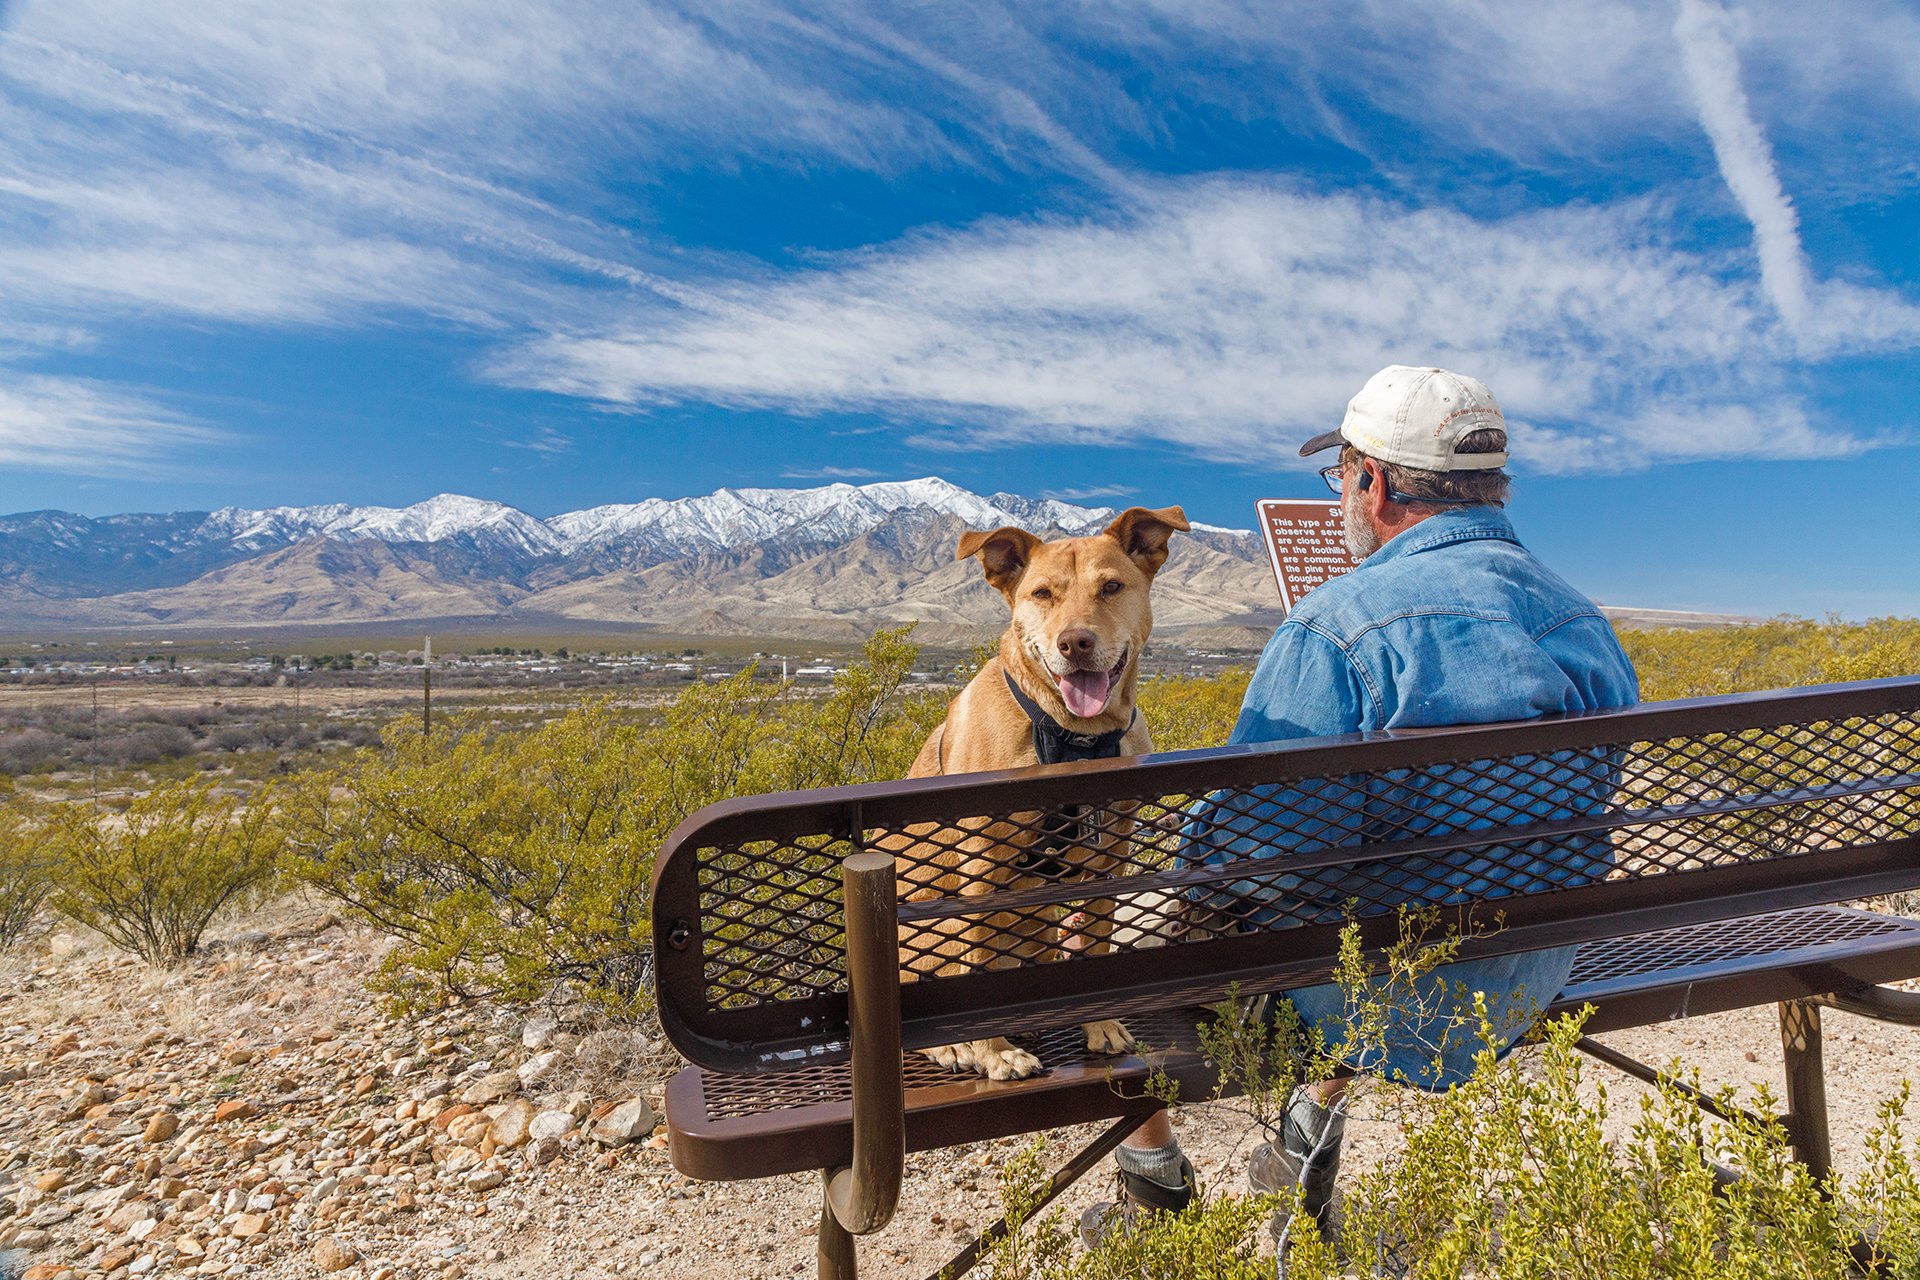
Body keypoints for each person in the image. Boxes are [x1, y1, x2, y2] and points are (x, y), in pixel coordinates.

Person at [1080, 365, 1640, 1248]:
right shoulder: (1582, 621)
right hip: (1533, 972)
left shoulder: (1334, 629)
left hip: (1374, 994)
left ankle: (1155, 1192)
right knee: (1390, 882)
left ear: (1371, 482)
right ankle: (1306, 1143)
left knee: (1099, 943)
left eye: (1338, 474)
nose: (1340, 492)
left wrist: (1192, 858)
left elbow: (1261, 866)